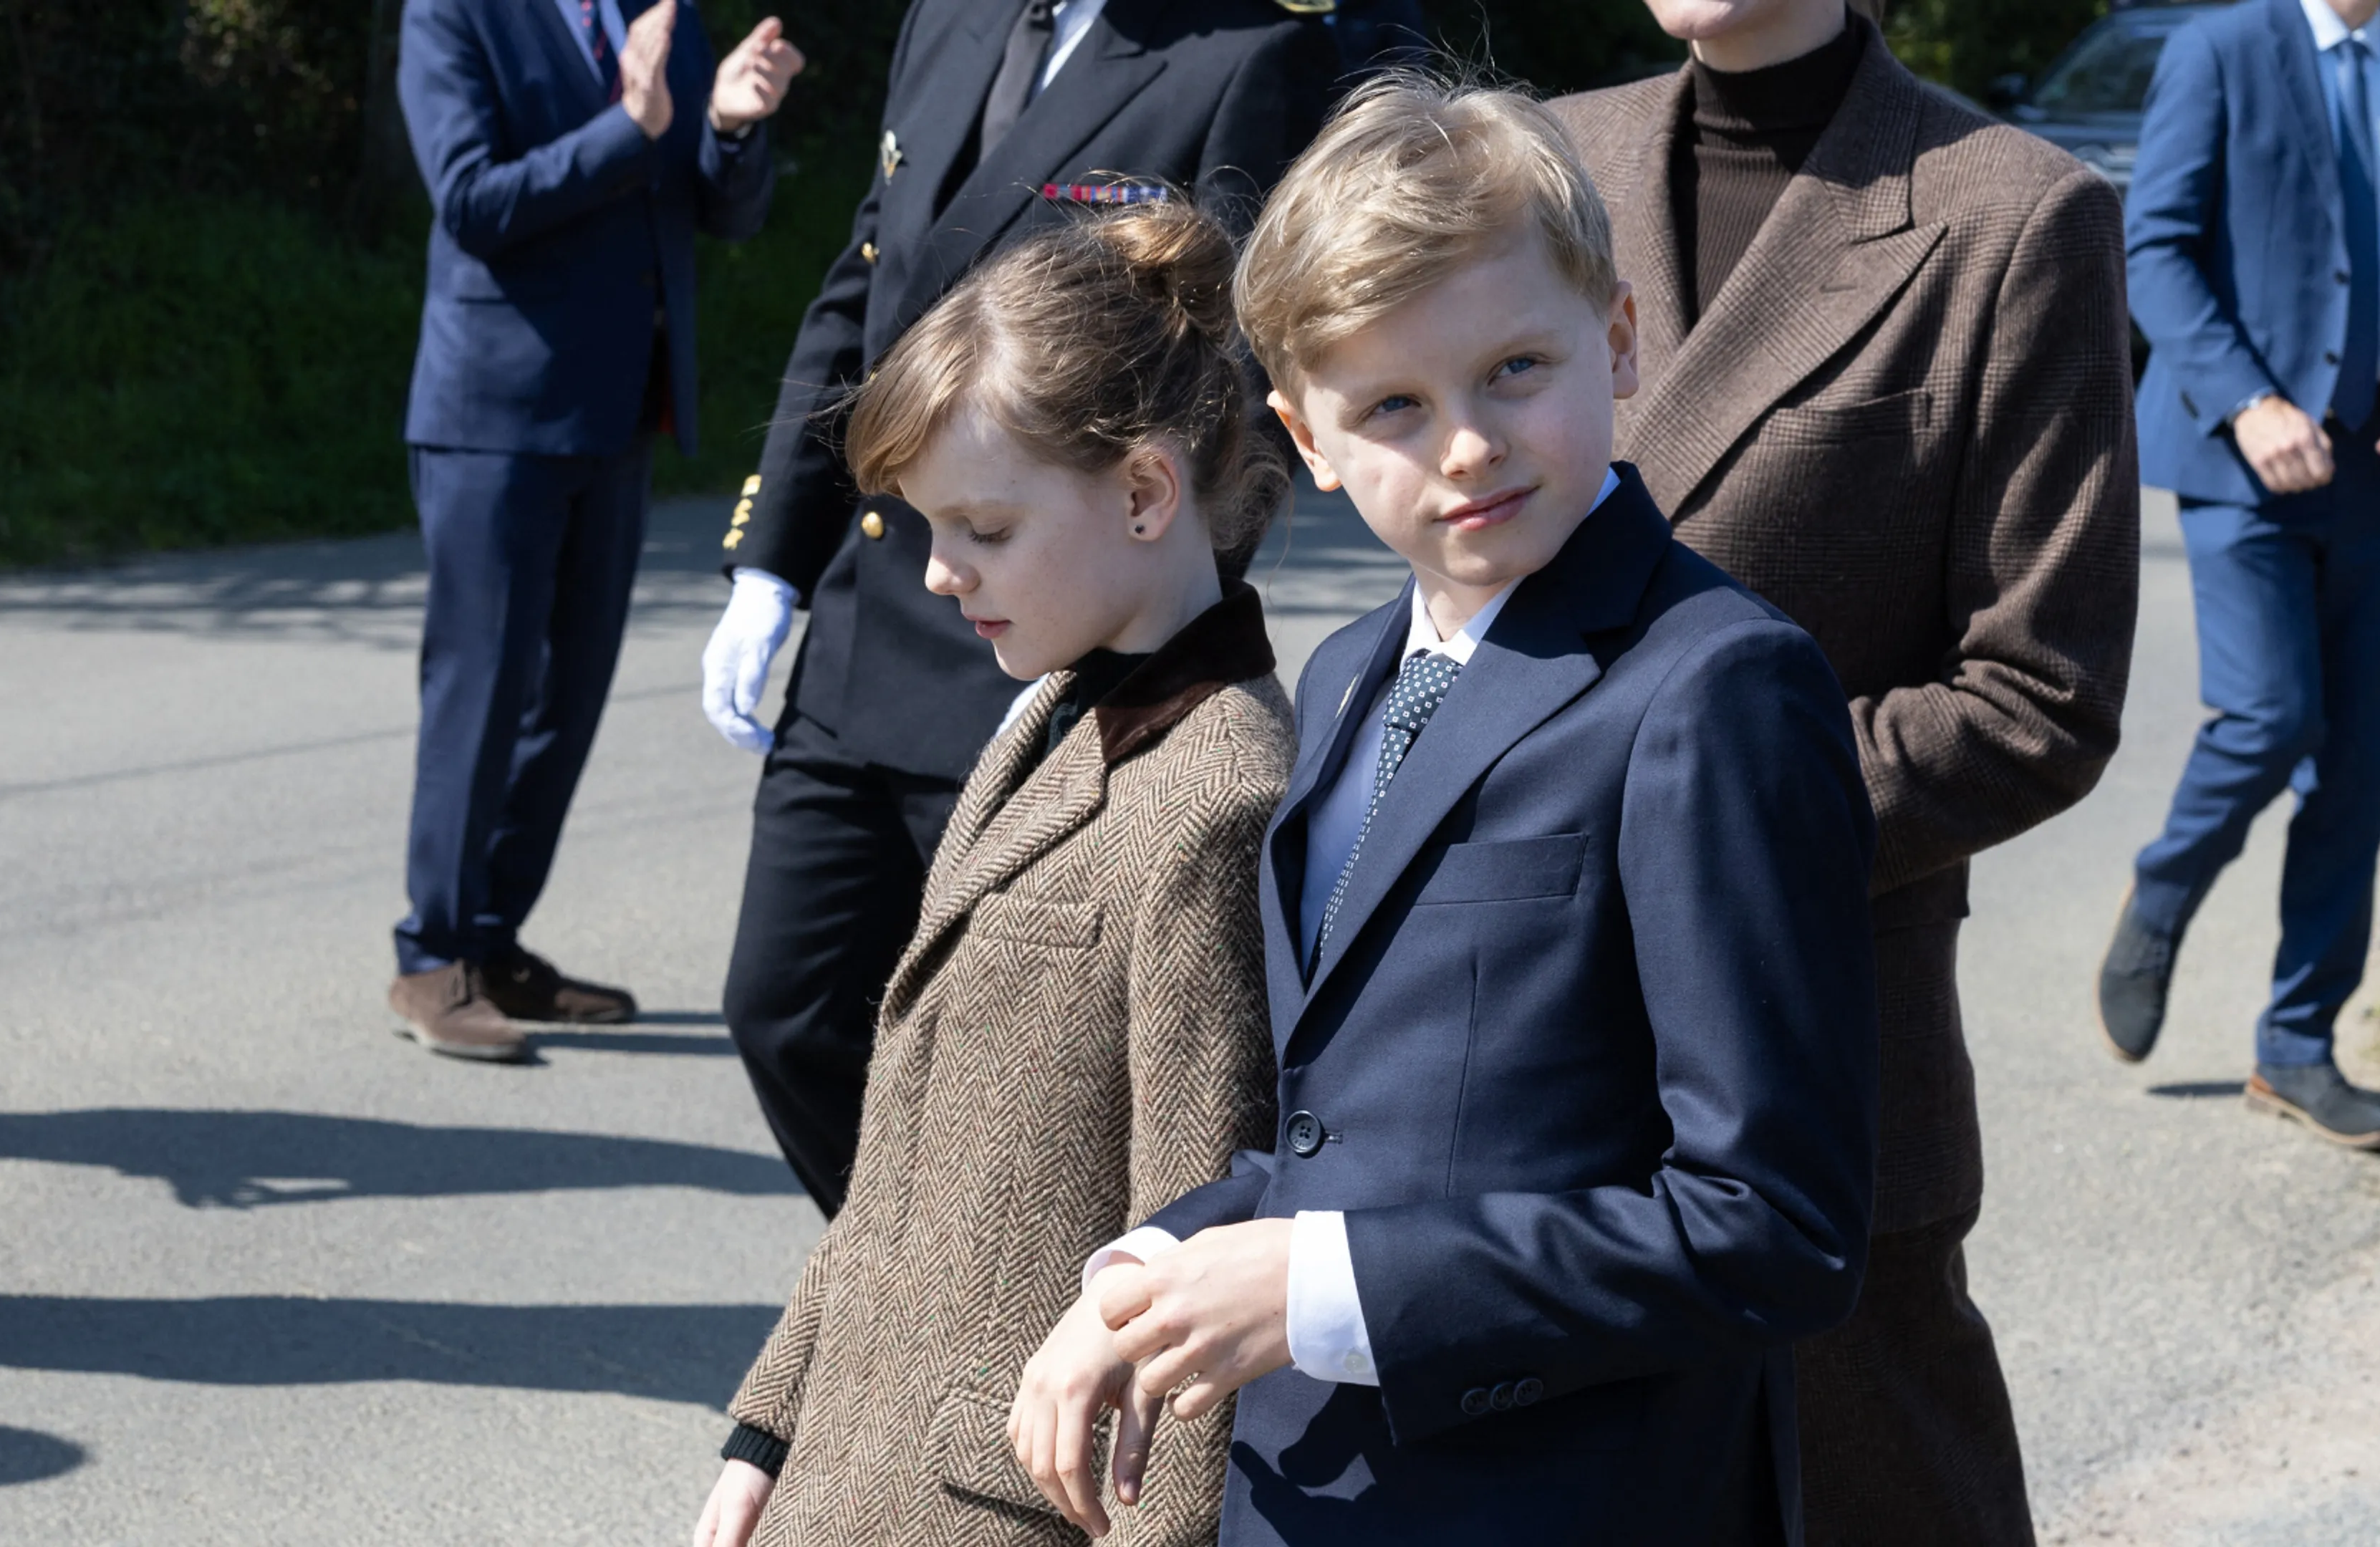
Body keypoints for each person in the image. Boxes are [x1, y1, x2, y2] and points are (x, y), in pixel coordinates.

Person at [1011, 78, 1883, 1545]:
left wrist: (1327, 1290)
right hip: (1313, 1494)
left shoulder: (1714, 687)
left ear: (1616, 335)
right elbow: (1344, 1132)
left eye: (1517, 369)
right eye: (1396, 409)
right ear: (1307, 439)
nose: (1469, 445)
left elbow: (1772, 1227)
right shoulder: (1353, 674)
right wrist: (1153, 1270)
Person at [1551, 1, 2141, 1537]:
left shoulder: (2016, 213)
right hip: (1514, 1028)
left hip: (1807, 1042)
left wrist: (1688, 823)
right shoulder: (1541, 160)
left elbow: (2038, 698)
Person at [690, 200, 1296, 1547]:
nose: (942, 574)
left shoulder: (1216, 802)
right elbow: (898, 1154)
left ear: (1145, 492)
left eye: (983, 528)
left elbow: (1186, 1274)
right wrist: (768, 1429)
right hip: (857, 1464)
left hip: (1004, 1507)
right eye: (921, 528)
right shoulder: (1042, 715)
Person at [698, 0, 1338, 1215]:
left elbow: (1234, 382)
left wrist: (1138, 660)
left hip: (1059, 640)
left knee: (1016, 1065)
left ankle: (995, 1314)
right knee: (787, 1008)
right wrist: (771, 557)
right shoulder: (947, 18)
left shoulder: (1242, 50)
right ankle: (911, 1281)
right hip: (874, 616)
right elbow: (869, 284)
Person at [2101, 0, 2380, 1150]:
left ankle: (2298, 1046)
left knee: (2358, 769)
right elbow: (2154, 249)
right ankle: (2164, 891)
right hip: (2241, 458)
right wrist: (2250, 400)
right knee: (2272, 715)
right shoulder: (2220, 50)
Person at [388, 0, 801, 1061]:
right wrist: (629, 123)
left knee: (566, 702)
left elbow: (726, 212)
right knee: (479, 694)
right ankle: (431, 961)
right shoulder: (453, 15)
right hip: (494, 415)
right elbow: (474, 201)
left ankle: (493, 938)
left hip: (622, 410)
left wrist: (732, 127)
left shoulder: (666, 15)